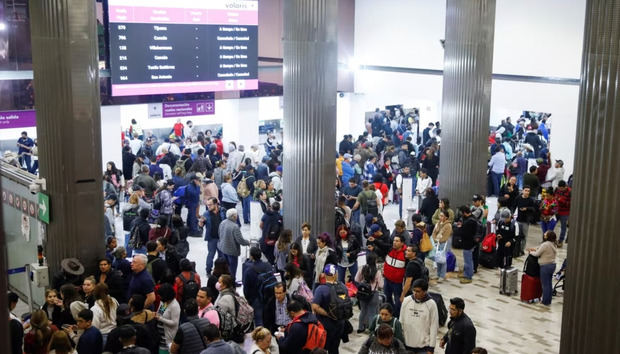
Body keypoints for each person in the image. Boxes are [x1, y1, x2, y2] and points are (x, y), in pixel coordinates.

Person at [311, 264, 347, 354]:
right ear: (336, 274)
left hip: (325, 325)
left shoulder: (321, 289)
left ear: (325, 274)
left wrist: (328, 314)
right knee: (335, 348)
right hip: (339, 324)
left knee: (322, 348)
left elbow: (315, 306)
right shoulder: (343, 286)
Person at [400, 279, 438, 353]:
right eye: (414, 290)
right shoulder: (406, 301)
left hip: (423, 347)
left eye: (418, 291)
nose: (415, 293)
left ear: (425, 291)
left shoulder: (431, 305)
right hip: (406, 345)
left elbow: (434, 326)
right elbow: (401, 321)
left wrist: (431, 348)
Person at [243, 246, 274, 326]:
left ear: (251, 256)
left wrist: (248, 300)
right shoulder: (268, 265)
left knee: (258, 320)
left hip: (256, 298)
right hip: (269, 295)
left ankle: (260, 336)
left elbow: (246, 288)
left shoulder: (249, 270)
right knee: (268, 317)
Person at [355, 252, 383, 333]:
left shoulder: (362, 268)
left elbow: (356, 279)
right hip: (373, 294)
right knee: (372, 312)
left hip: (363, 293)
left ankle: (360, 328)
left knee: (363, 310)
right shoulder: (377, 272)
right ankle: (371, 330)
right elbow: (381, 285)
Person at [218, 208, 250, 279]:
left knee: (225, 268)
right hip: (232, 251)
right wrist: (248, 242)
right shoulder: (235, 226)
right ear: (234, 216)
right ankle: (232, 283)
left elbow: (219, 234)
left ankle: (226, 282)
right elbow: (240, 240)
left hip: (223, 248)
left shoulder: (223, 222)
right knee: (232, 269)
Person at [528, 231, 558, 306]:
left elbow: (537, 254)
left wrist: (530, 252)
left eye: (546, 234)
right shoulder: (553, 244)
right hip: (552, 265)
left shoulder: (545, 244)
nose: (544, 234)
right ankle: (548, 300)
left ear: (548, 236)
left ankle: (545, 301)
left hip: (545, 266)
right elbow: (542, 250)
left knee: (545, 285)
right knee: (549, 284)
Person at [200, 197, 226, 275]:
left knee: (221, 256)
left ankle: (220, 270)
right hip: (212, 238)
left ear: (216, 204)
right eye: (207, 205)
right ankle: (208, 270)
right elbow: (201, 225)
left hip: (222, 238)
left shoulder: (223, 211)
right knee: (211, 254)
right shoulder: (206, 214)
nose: (208, 207)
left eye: (210, 205)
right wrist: (201, 223)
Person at [384, 235, 407, 317]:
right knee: (387, 297)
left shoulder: (405, 254)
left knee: (398, 301)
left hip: (398, 283)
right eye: (394, 240)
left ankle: (398, 316)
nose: (394, 242)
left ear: (402, 243)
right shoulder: (390, 250)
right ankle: (390, 313)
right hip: (387, 280)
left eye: (397, 241)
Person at [155, 283, 181, 353]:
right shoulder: (164, 302)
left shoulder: (174, 306)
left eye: (160, 295)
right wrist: (156, 315)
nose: (159, 297)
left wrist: (160, 319)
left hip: (168, 337)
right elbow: (160, 313)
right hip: (161, 337)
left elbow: (174, 323)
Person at [455, 206, 478, 284]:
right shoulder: (472, 218)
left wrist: (459, 228)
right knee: (467, 260)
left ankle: (468, 277)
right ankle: (466, 273)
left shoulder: (469, 222)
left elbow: (464, 233)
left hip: (468, 244)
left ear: (464, 213)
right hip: (471, 243)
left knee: (468, 261)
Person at [431, 210, 452, 281]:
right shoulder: (438, 223)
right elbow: (434, 232)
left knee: (442, 260)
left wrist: (438, 240)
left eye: (442, 216)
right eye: (440, 215)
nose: (440, 217)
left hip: (444, 244)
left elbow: (446, 236)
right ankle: (438, 274)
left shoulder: (448, 225)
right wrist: (434, 239)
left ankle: (442, 275)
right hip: (437, 243)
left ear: (446, 217)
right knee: (438, 259)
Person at [554, 180, 571, 247]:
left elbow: (570, 204)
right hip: (556, 210)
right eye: (559, 188)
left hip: (565, 212)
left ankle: (560, 241)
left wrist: (562, 200)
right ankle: (550, 239)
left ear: (565, 187)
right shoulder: (557, 190)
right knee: (552, 224)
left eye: (562, 188)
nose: (560, 190)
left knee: (563, 227)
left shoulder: (570, 192)